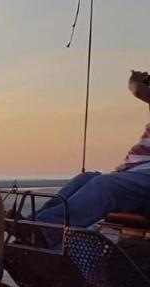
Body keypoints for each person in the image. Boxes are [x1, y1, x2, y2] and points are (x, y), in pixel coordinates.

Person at [36, 70, 150, 228]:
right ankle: (32, 223)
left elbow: (138, 89)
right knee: (85, 178)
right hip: (134, 172)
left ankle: (46, 229)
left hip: (145, 177)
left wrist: (135, 80)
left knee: (104, 185)